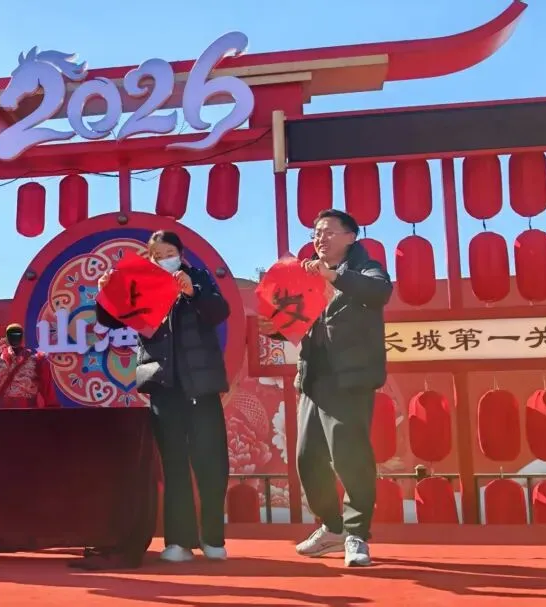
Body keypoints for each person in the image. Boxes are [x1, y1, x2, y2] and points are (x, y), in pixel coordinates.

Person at [258, 208, 392, 567]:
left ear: (351, 237)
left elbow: (380, 292)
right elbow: (295, 321)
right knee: (307, 458)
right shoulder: (304, 275)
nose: (320, 239)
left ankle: (356, 533)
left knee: (350, 457)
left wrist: (333, 275)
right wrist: (274, 327)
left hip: (349, 380)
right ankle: (332, 527)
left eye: (329, 232)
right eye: (316, 233)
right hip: (314, 378)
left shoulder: (366, 268)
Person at [96, 230, 231, 563]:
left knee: (211, 462)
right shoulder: (141, 282)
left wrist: (193, 292)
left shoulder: (198, 278)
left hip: (201, 385)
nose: (164, 259)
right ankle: (178, 542)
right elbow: (109, 319)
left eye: (169, 253)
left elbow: (219, 311)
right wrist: (106, 292)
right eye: (157, 255)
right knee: (174, 464)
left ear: (181, 254)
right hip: (163, 386)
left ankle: (213, 537)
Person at [0, 323, 61, 409]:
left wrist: (51, 412)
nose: (14, 337)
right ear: (6, 337)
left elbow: (49, 392)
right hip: (1, 414)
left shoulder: (37, 361)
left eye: (18, 334)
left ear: (22, 337)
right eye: (11, 334)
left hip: (29, 414)